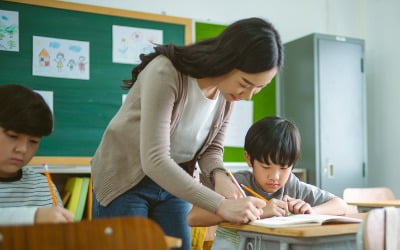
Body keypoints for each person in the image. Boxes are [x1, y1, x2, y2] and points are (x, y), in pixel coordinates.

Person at [91, 17, 283, 249]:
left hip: (174, 182)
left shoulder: (226, 93)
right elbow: (154, 159)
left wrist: (219, 175)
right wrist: (220, 204)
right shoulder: (166, 72)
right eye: (245, 83)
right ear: (227, 60)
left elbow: (211, 150)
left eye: (258, 88)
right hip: (125, 179)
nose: (248, 96)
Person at [187, 116, 348, 249]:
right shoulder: (236, 184)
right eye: (266, 167)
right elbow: (194, 217)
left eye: (284, 168)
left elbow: (340, 205)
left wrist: (311, 212)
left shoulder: (292, 185)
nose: (275, 177)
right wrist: (262, 211)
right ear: (249, 159)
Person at [0, 84, 74, 225]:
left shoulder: (42, 186)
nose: (22, 149)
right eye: (12, 136)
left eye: (33, 141)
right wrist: (32, 216)